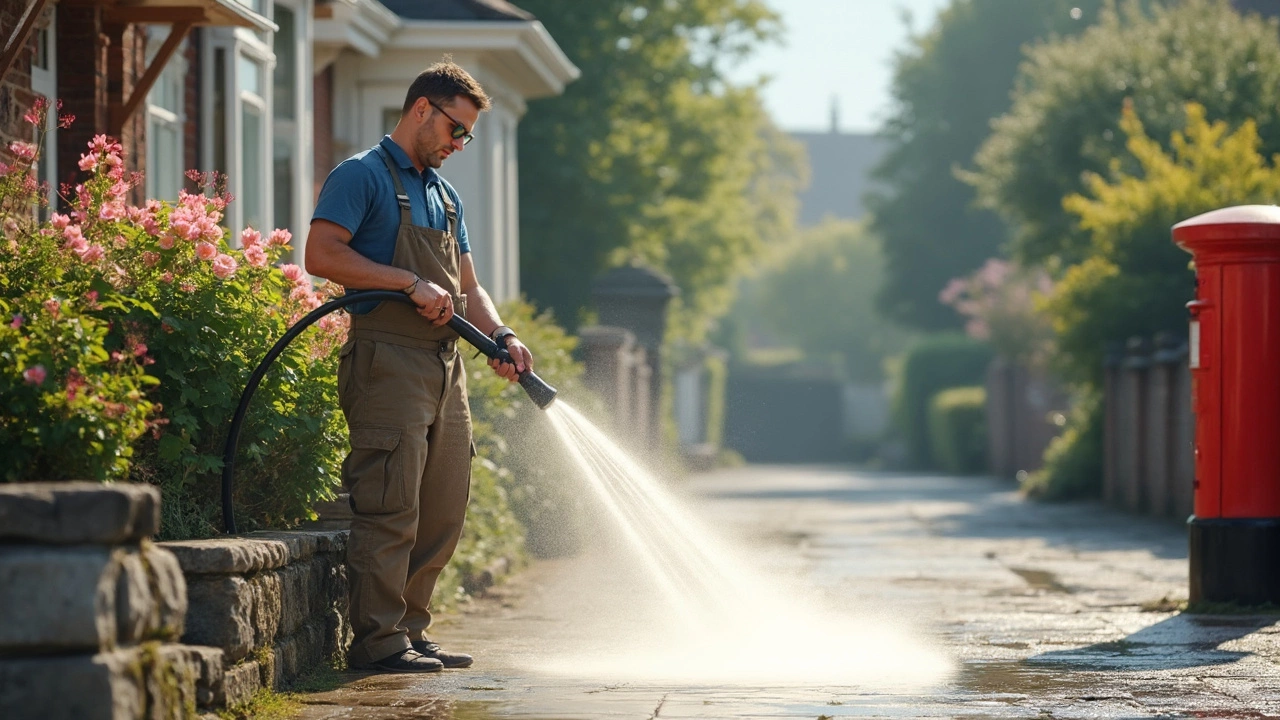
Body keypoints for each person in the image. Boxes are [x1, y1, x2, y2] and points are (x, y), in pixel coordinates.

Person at [305, 59, 534, 674]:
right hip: (386, 360)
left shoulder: (444, 193)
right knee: (391, 501)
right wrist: (405, 281)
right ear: (421, 109)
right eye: (455, 130)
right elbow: (321, 254)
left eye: (468, 137)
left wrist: (502, 335)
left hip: (445, 365)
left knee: (442, 502)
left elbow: (469, 287)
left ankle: (411, 628)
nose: (459, 145)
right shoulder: (361, 176)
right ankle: (378, 643)